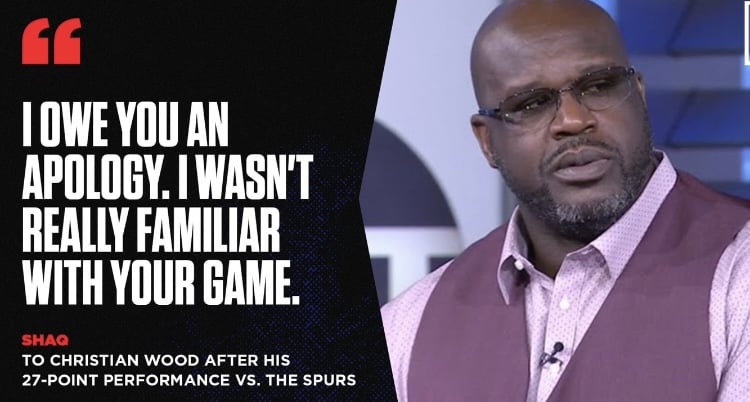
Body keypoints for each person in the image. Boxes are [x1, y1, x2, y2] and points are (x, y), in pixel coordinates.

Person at [379, 0, 750, 401]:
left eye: (599, 85)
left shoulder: (739, 276)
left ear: (639, 95)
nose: (573, 121)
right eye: (532, 104)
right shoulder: (405, 329)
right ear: (487, 141)